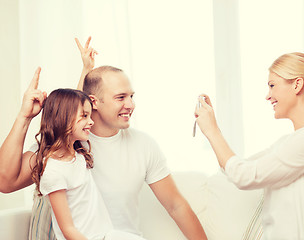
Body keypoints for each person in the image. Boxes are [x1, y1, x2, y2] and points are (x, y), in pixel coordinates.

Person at [0, 37, 207, 239]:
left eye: (131, 96)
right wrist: (24, 116)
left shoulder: (144, 145)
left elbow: (176, 205)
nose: (131, 105)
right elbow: (6, 182)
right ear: (94, 102)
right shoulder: (64, 148)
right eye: (120, 97)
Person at [194, 52, 304, 240]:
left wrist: (212, 131)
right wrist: (211, 127)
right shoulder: (290, 142)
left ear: (297, 84)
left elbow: (244, 176)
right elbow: (235, 169)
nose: (268, 96)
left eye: (272, 85)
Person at [31, 88, 145, 240]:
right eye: (85, 116)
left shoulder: (78, 153)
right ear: (63, 118)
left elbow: (74, 103)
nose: (91, 121)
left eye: (90, 115)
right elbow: (68, 230)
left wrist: (86, 69)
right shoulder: (54, 171)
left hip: (106, 235)